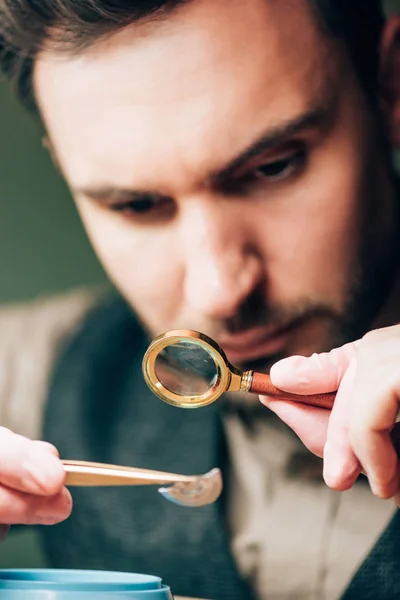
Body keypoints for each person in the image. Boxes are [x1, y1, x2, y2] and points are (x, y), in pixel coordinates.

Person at [0, 0, 400, 598]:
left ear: (392, 86)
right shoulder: (27, 367)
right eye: (135, 206)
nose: (219, 290)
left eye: (273, 167)